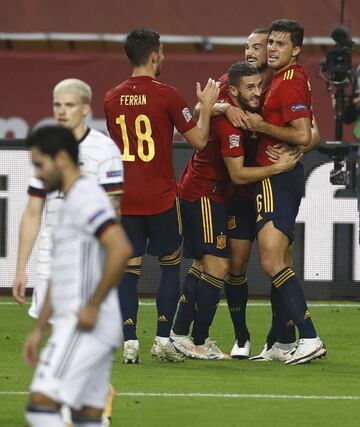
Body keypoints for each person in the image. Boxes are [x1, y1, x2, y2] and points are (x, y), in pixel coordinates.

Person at [171, 61, 301, 360]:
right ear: (234, 91)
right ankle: (197, 340)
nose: (257, 92)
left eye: (259, 86)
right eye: (250, 88)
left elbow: (309, 133)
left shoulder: (260, 95)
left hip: (215, 195)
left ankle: (179, 334)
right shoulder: (231, 119)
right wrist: (277, 167)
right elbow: (238, 174)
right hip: (206, 192)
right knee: (218, 267)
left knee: (204, 266)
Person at [104, 28, 220, 364]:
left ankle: (129, 342)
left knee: (129, 269)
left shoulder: (111, 97)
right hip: (160, 198)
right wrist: (206, 108)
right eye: (163, 51)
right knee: (170, 267)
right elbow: (199, 140)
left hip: (126, 199)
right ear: (154, 55)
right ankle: (161, 339)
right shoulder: (168, 95)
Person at [12, 78, 123, 426]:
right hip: (79, 313)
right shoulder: (62, 207)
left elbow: (119, 246)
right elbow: (61, 268)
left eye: (41, 166)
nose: (37, 174)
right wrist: (39, 327)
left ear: (60, 160)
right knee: (87, 416)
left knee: (41, 405)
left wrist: (91, 306)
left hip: (84, 319)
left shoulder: (87, 195)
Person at [245, 19, 326, 364]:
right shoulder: (278, 80)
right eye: (271, 43)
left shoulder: (290, 81)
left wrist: (262, 127)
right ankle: (283, 340)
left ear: (296, 50)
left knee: (271, 260)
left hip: (277, 178)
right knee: (281, 260)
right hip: (276, 175)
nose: (274, 49)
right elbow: (311, 135)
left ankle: (310, 337)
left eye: (281, 44)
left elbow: (305, 134)